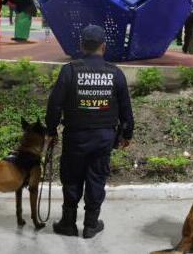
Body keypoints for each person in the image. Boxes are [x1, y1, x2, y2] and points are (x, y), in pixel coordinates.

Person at [45, 25, 134, 239]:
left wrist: (51, 130)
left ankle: (68, 223)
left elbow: (55, 104)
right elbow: (126, 109)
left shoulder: (70, 70)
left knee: (72, 178)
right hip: (104, 138)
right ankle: (91, 225)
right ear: (103, 47)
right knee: (97, 178)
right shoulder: (115, 73)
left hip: (75, 136)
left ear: (81, 46)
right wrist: (127, 134)